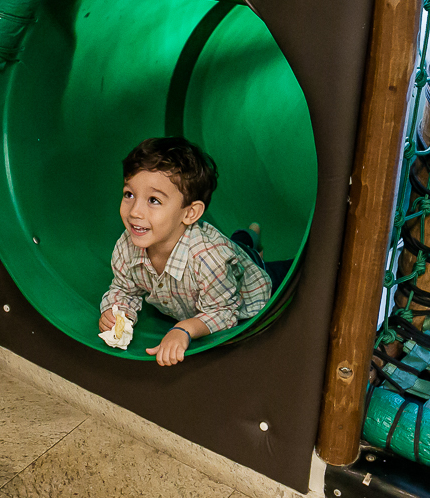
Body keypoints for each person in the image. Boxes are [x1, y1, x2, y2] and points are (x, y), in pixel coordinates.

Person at [98, 137, 291, 366]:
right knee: (237, 243)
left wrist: (185, 329)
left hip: (248, 278)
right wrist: (116, 313)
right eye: (129, 194)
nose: (134, 212)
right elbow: (124, 289)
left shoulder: (210, 260)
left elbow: (223, 311)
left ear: (190, 213)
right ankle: (249, 234)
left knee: (277, 267)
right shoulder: (127, 245)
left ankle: (253, 240)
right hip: (223, 254)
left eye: (153, 200)